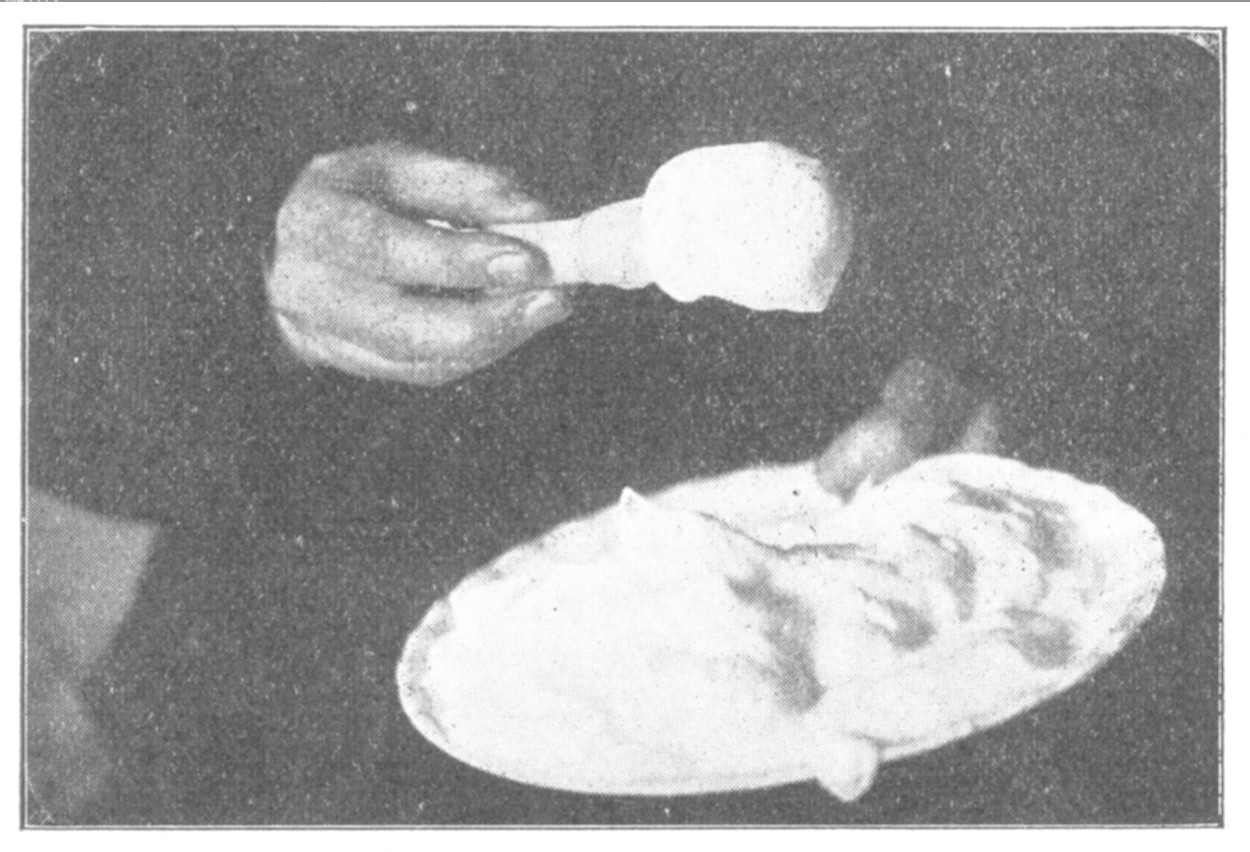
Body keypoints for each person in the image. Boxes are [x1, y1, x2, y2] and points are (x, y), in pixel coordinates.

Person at [27, 31, 1219, 824]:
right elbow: (58, 351)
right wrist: (252, 274)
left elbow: (1171, 108)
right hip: (342, 666)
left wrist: (1024, 318)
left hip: (923, 556)